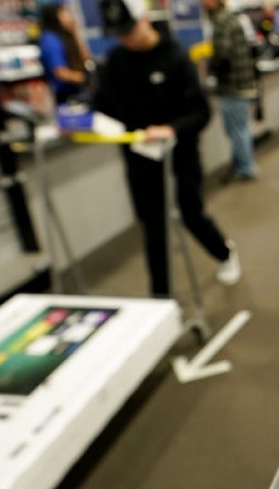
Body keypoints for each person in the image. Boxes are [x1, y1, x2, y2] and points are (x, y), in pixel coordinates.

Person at [94, 0, 242, 295]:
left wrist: (171, 129)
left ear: (145, 19)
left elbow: (201, 112)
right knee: (153, 229)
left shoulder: (175, 57)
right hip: (140, 160)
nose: (126, 38)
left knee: (191, 214)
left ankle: (225, 253)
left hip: (180, 155)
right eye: (120, 33)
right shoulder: (115, 63)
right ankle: (161, 299)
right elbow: (102, 105)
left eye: (130, 30)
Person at [202, 0, 260, 181]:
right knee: (240, 128)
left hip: (232, 86)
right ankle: (242, 165)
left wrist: (210, 67)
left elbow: (223, 53)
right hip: (243, 83)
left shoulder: (220, 21)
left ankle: (245, 168)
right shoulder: (232, 18)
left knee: (236, 130)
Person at [38, 1, 91, 104]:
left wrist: (75, 33)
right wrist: (86, 79)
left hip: (78, 90)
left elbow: (86, 59)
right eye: (64, 13)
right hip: (66, 96)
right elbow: (60, 72)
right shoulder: (50, 39)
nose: (69, 16)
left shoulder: (67, 35)